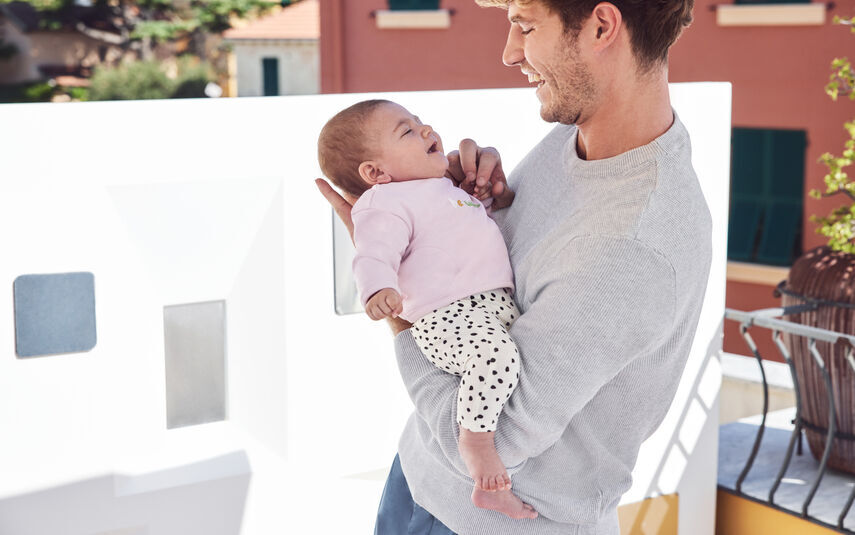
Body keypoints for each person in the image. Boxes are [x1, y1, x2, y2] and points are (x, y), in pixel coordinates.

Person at [316, 0, 711, 533]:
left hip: (487, 520)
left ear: (601, 25)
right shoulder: (576, 139)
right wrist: (461, 205)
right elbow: (505, 283)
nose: (508, 52)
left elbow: (486, 445)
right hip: (416, 477)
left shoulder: (635, 243)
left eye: (525, 25)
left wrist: (401, 314)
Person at [317, 98, 538, 520]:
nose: (425, 129)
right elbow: (372, 250)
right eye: (406, 131)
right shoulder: (384, 202)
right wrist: (377, 288)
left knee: (509, 361)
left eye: (419, 122)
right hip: (445, 316)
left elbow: (470, 227)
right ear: (376, 173)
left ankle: (483, 444)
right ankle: (475, 442)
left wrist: (492, 198)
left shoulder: (442, 189)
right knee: (497, 359)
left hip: (490, 307)